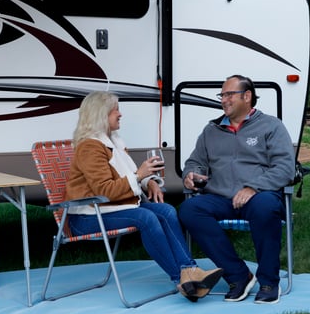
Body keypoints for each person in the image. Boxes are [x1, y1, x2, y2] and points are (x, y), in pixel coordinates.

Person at [66, 91, 223, 301]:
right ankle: (183, 280)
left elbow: (126, 176)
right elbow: (105, 190)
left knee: (166, 211)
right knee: (146, 218)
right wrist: (140, 174)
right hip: (85, 217)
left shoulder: (112, 142)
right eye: (115, 110)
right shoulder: (90, 147)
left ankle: (190, 270)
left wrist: (149, 182)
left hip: (111, 208)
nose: (120, 114)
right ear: (100, 114)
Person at [179, 75, 295, 304]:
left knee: (266, 206)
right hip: (221, 197)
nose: (224, 100)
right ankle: (239, 276)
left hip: (259, 196)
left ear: (247, 96)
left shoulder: (271, 126)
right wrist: (190, 175)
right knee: (189, 209)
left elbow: (285, 168)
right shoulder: (211, 130)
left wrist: (254, 187)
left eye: (229, 94)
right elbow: (194, 162)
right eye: (222, 95)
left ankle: (269, 281)